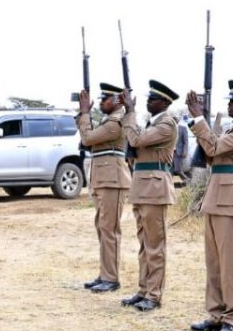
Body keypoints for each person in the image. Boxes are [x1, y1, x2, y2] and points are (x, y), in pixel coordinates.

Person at [185, 80, 233, 331]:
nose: (229, 104)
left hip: (232, 199)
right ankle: (216, 313)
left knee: (231, 263)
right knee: (214, 261)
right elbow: (210, 153)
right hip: (217, 196)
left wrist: (199, 118)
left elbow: (214, 148)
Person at [120, 80, 179, 311]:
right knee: (144, 243)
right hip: (142, 187)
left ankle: (154, 294)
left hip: (155, 189)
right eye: (149, 97)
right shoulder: (150, 123)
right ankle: (143, 289)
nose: (148, 101)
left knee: (155, 245)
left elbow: (136, 140)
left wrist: (130, 112)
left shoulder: (167, 124)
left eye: (153, 99)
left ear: (165, 102)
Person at [78, 82, 132, 293]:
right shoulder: (108, 121)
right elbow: (88, 140)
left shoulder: (115, 122)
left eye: (105, 98)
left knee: (109, 229)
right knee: (102, 228)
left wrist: (84, 114)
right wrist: (85, 117)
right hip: (103, 179)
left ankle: (111, 278)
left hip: (113, 180)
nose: (100, 102)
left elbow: (88, 138)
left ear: (118, 100)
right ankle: (105, 273)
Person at [172, 117, 191, 186]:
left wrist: (185, 151)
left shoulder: (183, 128)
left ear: (177, 121)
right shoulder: (169, 129)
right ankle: (168, 184)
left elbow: (186, 141)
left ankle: (187, 179)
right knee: (169, 169)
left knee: (177, 169)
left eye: (174, 120)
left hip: (178, 152)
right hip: (170, 152)